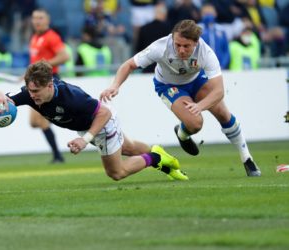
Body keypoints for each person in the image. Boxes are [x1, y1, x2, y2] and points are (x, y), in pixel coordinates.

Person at [100, 19, 261, 177]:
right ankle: (183, 133)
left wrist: (200, 106)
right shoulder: (160, 47)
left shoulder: (206, 53)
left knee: (223, 113)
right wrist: (115, 85)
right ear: (172, 39)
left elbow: (219, 91)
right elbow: (129, 65)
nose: (181, 50)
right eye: (177, 45)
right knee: (196, 123)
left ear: (196, 43)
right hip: (169, 86)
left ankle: (247, 159)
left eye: (186, 46)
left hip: (197, 80)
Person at [0, 61, 188, 181]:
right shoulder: (29, 94)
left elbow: (104, 114)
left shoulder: (71, 96)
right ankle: (158, 154)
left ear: (49, 85)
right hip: (86, 127)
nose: (32, 96)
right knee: (129, 147)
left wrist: (85, 140)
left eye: (36, 91)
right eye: (29, 91)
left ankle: (156, 159)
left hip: (101, 123)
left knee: (116, 173)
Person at [28, 8, 70, 163]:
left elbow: (64, 56)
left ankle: (57, 156)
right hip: (36, 81)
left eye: (40, 18)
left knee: (40, 120)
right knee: (34, 122)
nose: (37, 21)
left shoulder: (52, 37)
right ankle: (58, 154)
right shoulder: (34, 37)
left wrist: (41, 65)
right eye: (34, 18)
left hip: (48, 81)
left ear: (47, 20)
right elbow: (35, 62)